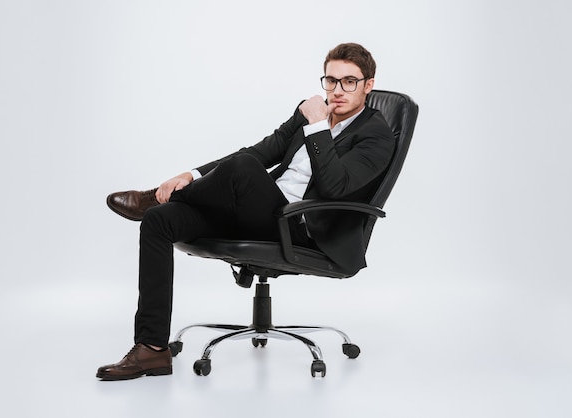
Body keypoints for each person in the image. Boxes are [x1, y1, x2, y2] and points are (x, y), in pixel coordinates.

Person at [96, 42, 395, 380]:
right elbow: (259, 152)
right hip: (257, 212)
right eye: (331, 80)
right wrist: (190, 175)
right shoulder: (311, 112)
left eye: (349, 82)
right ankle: (151, 350)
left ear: (368, 85)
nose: (337, 91)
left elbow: (335, 187)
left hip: (300, 228)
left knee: (241, 170)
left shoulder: (376, 135)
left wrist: (316, 126)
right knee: (159, 221)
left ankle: (157, 197)